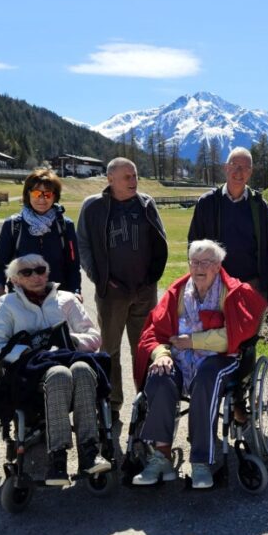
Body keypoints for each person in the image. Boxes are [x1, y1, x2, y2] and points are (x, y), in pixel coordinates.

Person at [131, 240, 266, 489]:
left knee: (207, 380)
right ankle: (161, 457)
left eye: (207, 262)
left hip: (221, 358)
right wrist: (161, 354)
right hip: (179, 357)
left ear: (217, 266)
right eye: (195, 262)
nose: (199, 267)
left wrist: (192, 341)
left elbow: (235, 335)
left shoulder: (234, 291)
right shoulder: (178, 291)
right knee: (160, 376)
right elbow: (155, 330)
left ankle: (201, 461)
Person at [0, 254, 111, 485]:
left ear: (48, 273)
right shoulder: (8, 304)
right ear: (15, 279)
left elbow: (94, 336)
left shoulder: (67, 299)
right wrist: (24, 351)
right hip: (33, 375)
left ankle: (89, 452)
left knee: (83, 368)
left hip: (71, 362)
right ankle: (58, 457)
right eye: (27, 272)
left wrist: (68, 340)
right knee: (58, 374)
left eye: (40, 270)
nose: (36, 276)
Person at [77, 157, 168, 421]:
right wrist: (99, 278)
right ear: (110, 179)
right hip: (112, 293)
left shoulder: (146, 204)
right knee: (110, 350)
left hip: (144, 292)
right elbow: (83, 244)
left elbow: (160, 240)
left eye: (135, 175)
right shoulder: (93, 206)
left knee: (145, 348)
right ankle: (112, 404)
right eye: (127, 177)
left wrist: (152, 278)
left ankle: (146, 400)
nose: (133, 181)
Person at [187, 147, 268, 320]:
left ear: (251, 172)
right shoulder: (207, 203)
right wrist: (197, 282)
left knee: (248, 341)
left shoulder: (260, 207)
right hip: (214, 285)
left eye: (245, 167)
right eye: (235, 165)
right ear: (226, 168)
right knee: (215, 337)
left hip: (251, 286)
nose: (239, 172)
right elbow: (193, 246)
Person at [0, 169, 81, 309]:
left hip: (58, 301)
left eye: (47, 194)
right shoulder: (14, 225)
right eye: (37, 193)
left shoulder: (65, 226)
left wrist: (75, 292)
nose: (42, 199)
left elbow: (73, 267)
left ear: (54, 196)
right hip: (21, 302)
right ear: (28, 194)